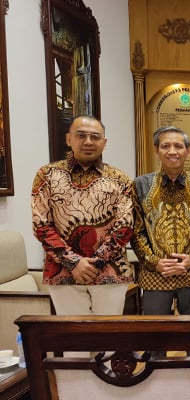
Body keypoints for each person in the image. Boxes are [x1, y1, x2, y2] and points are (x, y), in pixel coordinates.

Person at [31, 115, 134, 315]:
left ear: (104, 143)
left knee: (109, 340)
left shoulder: (120, 178)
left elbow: (125, 225)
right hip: (63, 273)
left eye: (95, 137)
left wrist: (97, 262)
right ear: (69, 139)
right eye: (81, 135)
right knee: (73, 343)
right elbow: (41, 225)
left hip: (111, 272)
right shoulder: (47, 175)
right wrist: (74, 262)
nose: (88, 141)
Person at [131, 126, 190, 319]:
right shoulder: (140, 185)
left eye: (178, 146)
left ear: (188, 151)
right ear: (156, 150)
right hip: (155, 275)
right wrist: (154, 262)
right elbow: (136, 231)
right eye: (165, 146)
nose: (172, 151)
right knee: (155, 337)